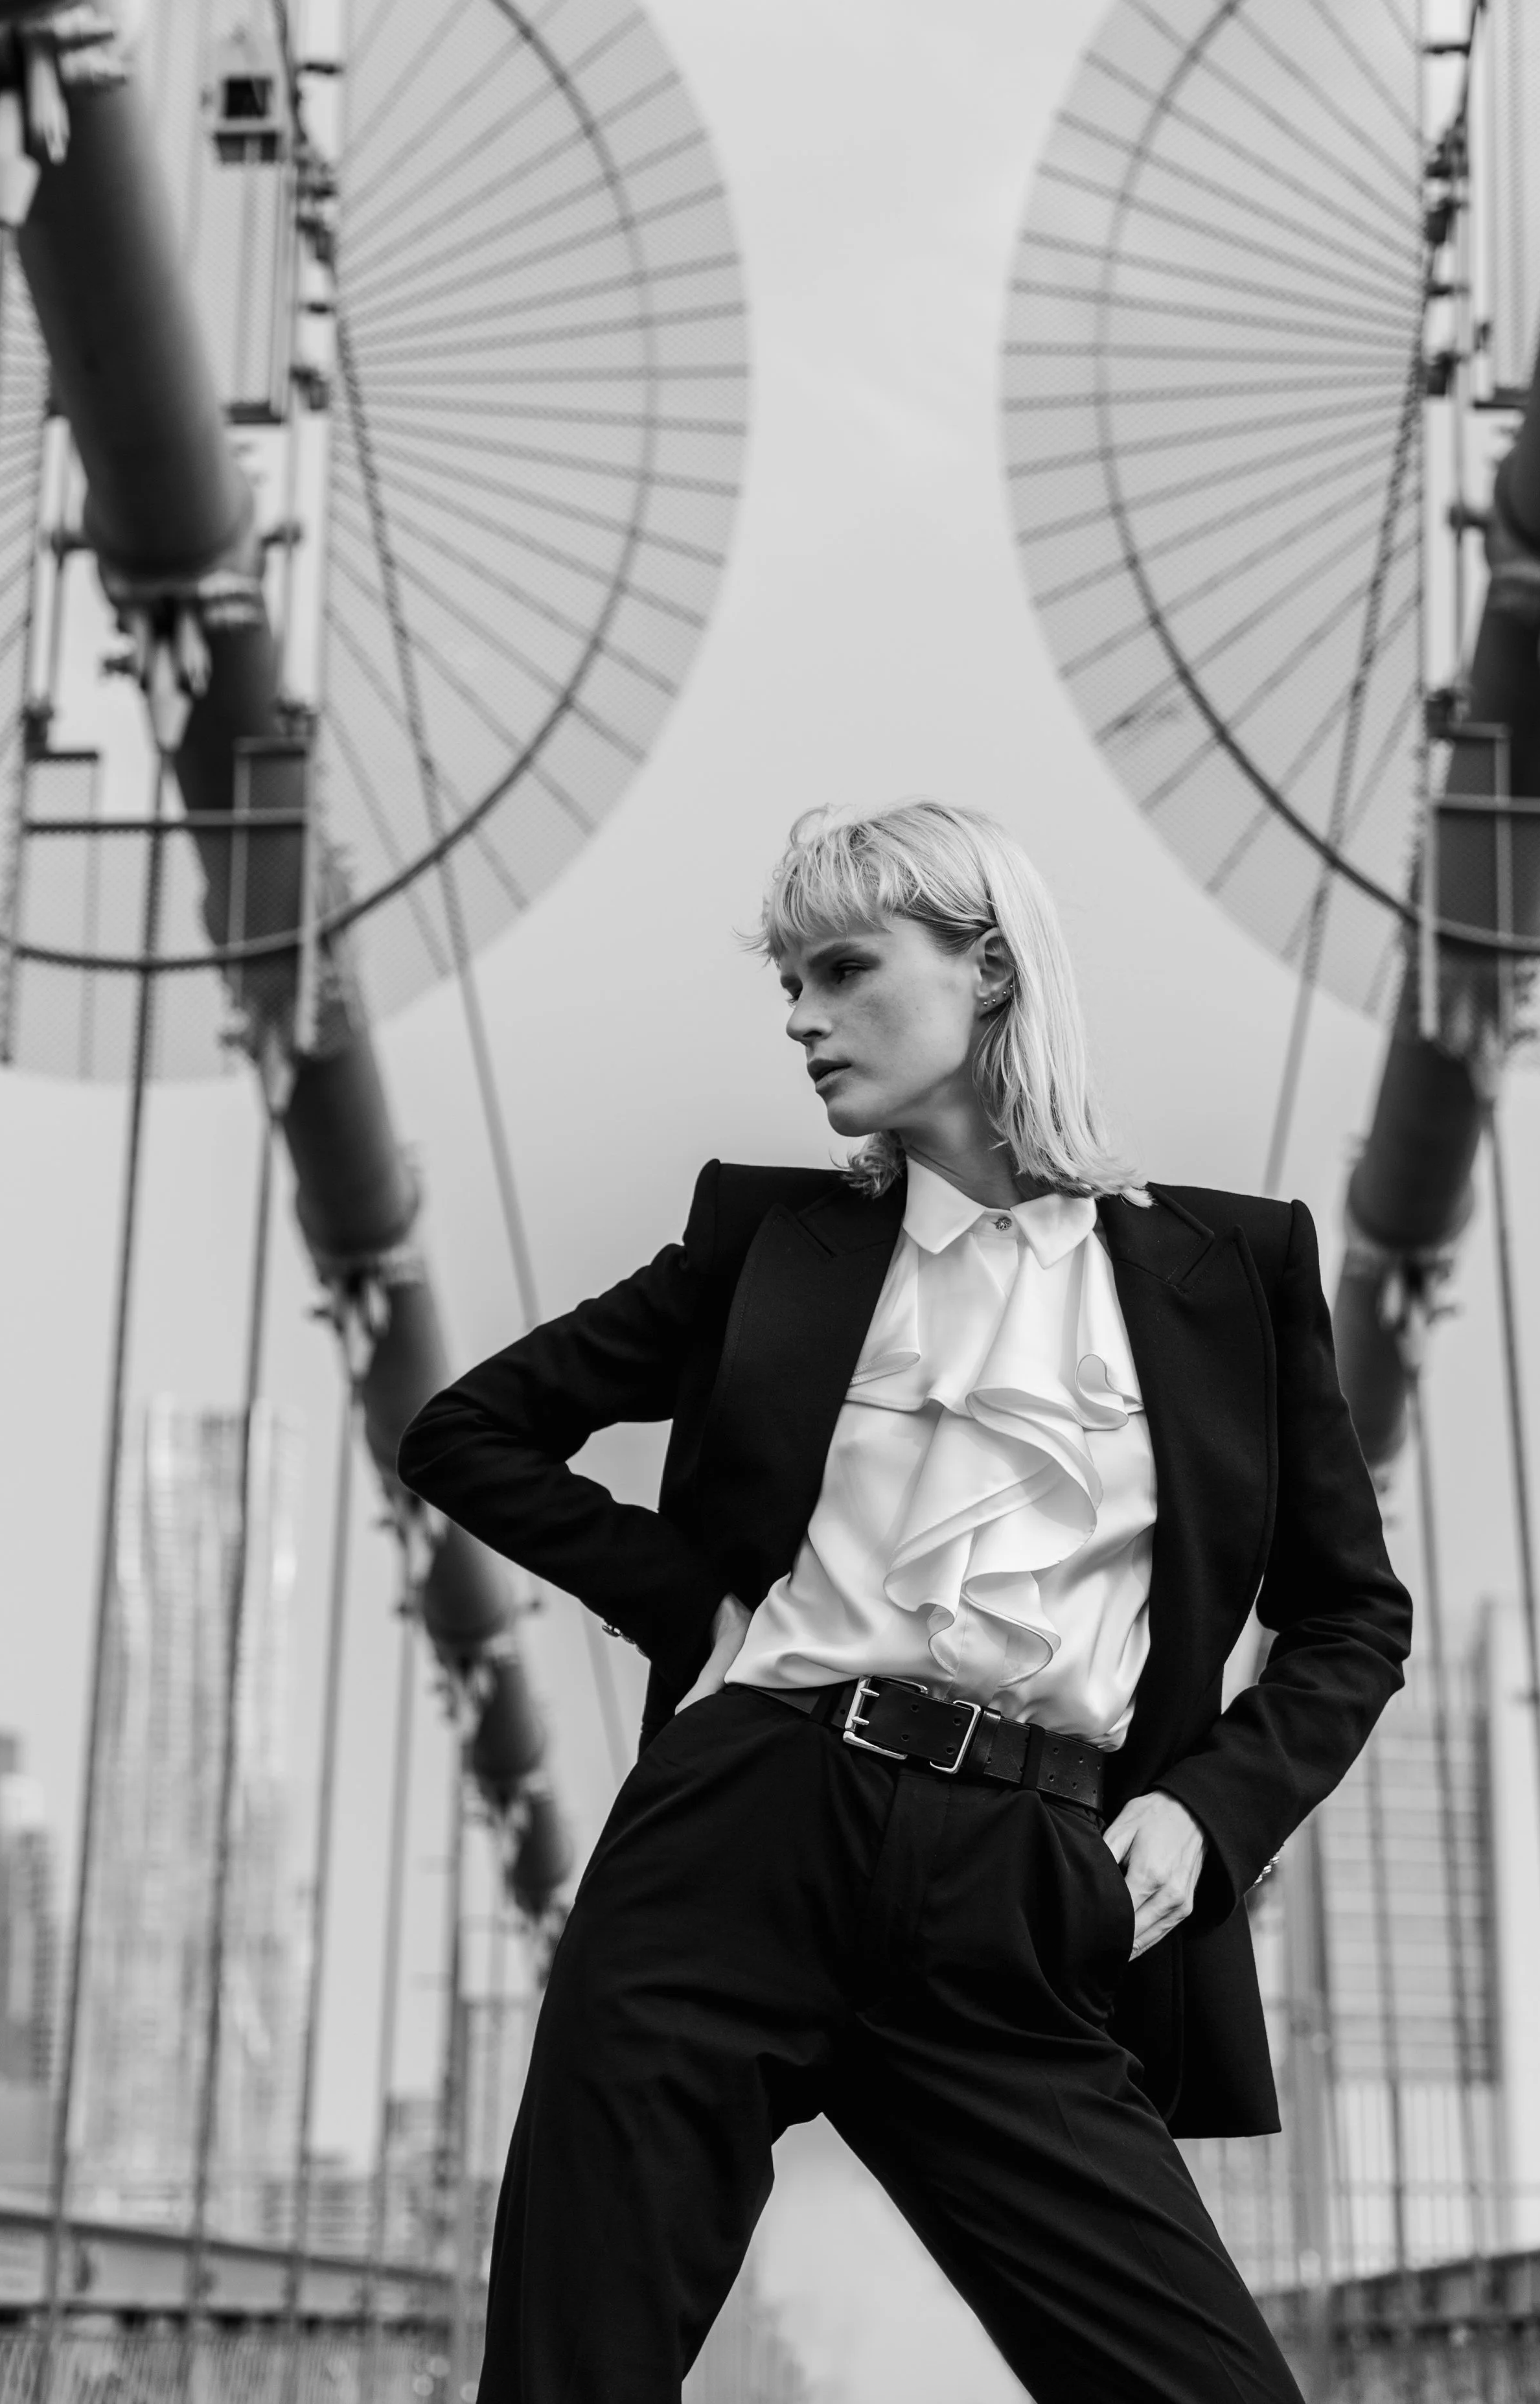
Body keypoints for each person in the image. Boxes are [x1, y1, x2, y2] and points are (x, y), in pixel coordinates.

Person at [398, 801, 1410, 2403]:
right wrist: (694, 1609)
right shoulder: (767, 1241)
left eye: (843, 970)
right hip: (737, 1843)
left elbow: (1351, 1617)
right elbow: (465, 1434)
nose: (800, 1020)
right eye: (788, 983)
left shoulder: (1231, 1271)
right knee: (570, 2378)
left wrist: (1207, 1816)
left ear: (986, 969)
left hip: (1026, 1890)